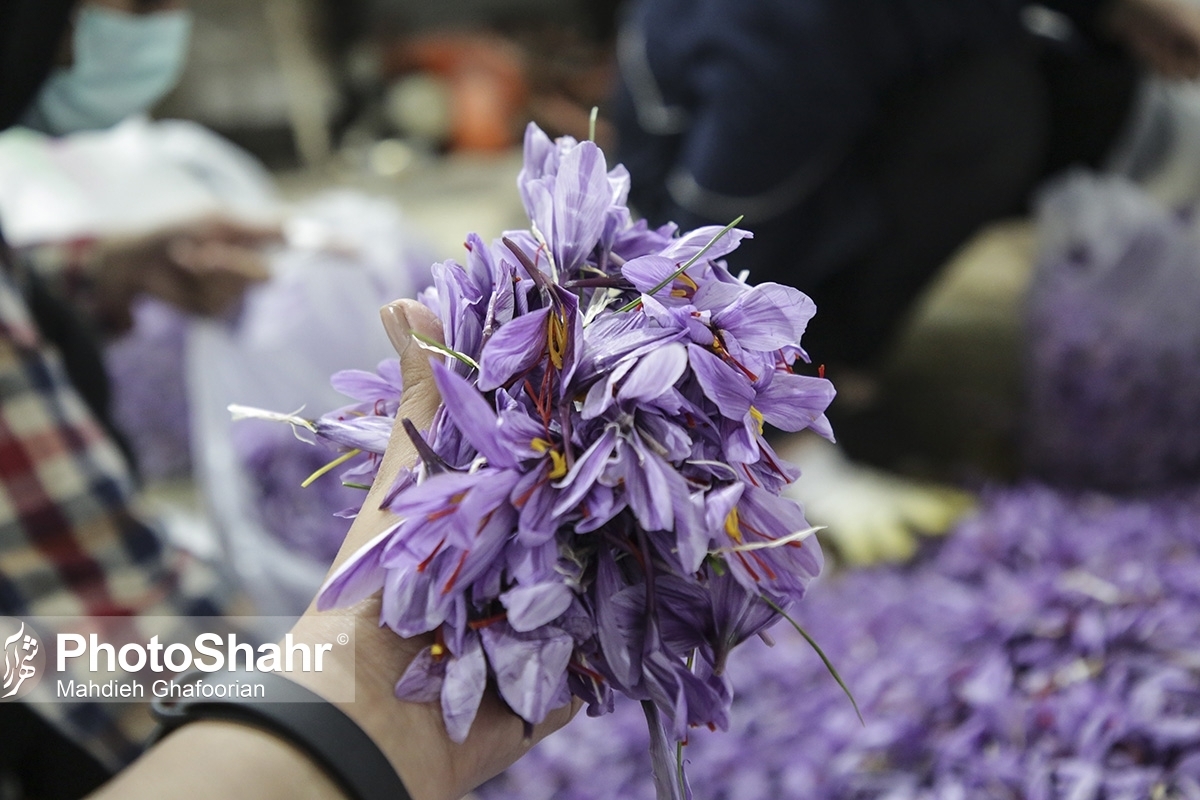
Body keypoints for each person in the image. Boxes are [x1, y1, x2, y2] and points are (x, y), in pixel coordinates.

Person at [611, 0, 1200, 563]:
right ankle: (820, 364)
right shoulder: (784, 43)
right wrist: (778, 435)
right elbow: (705, 249)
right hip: (711, 176)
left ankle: (837, 350)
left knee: (1080, 90)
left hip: (857, 67)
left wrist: (1116, 9)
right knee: (990, 113)